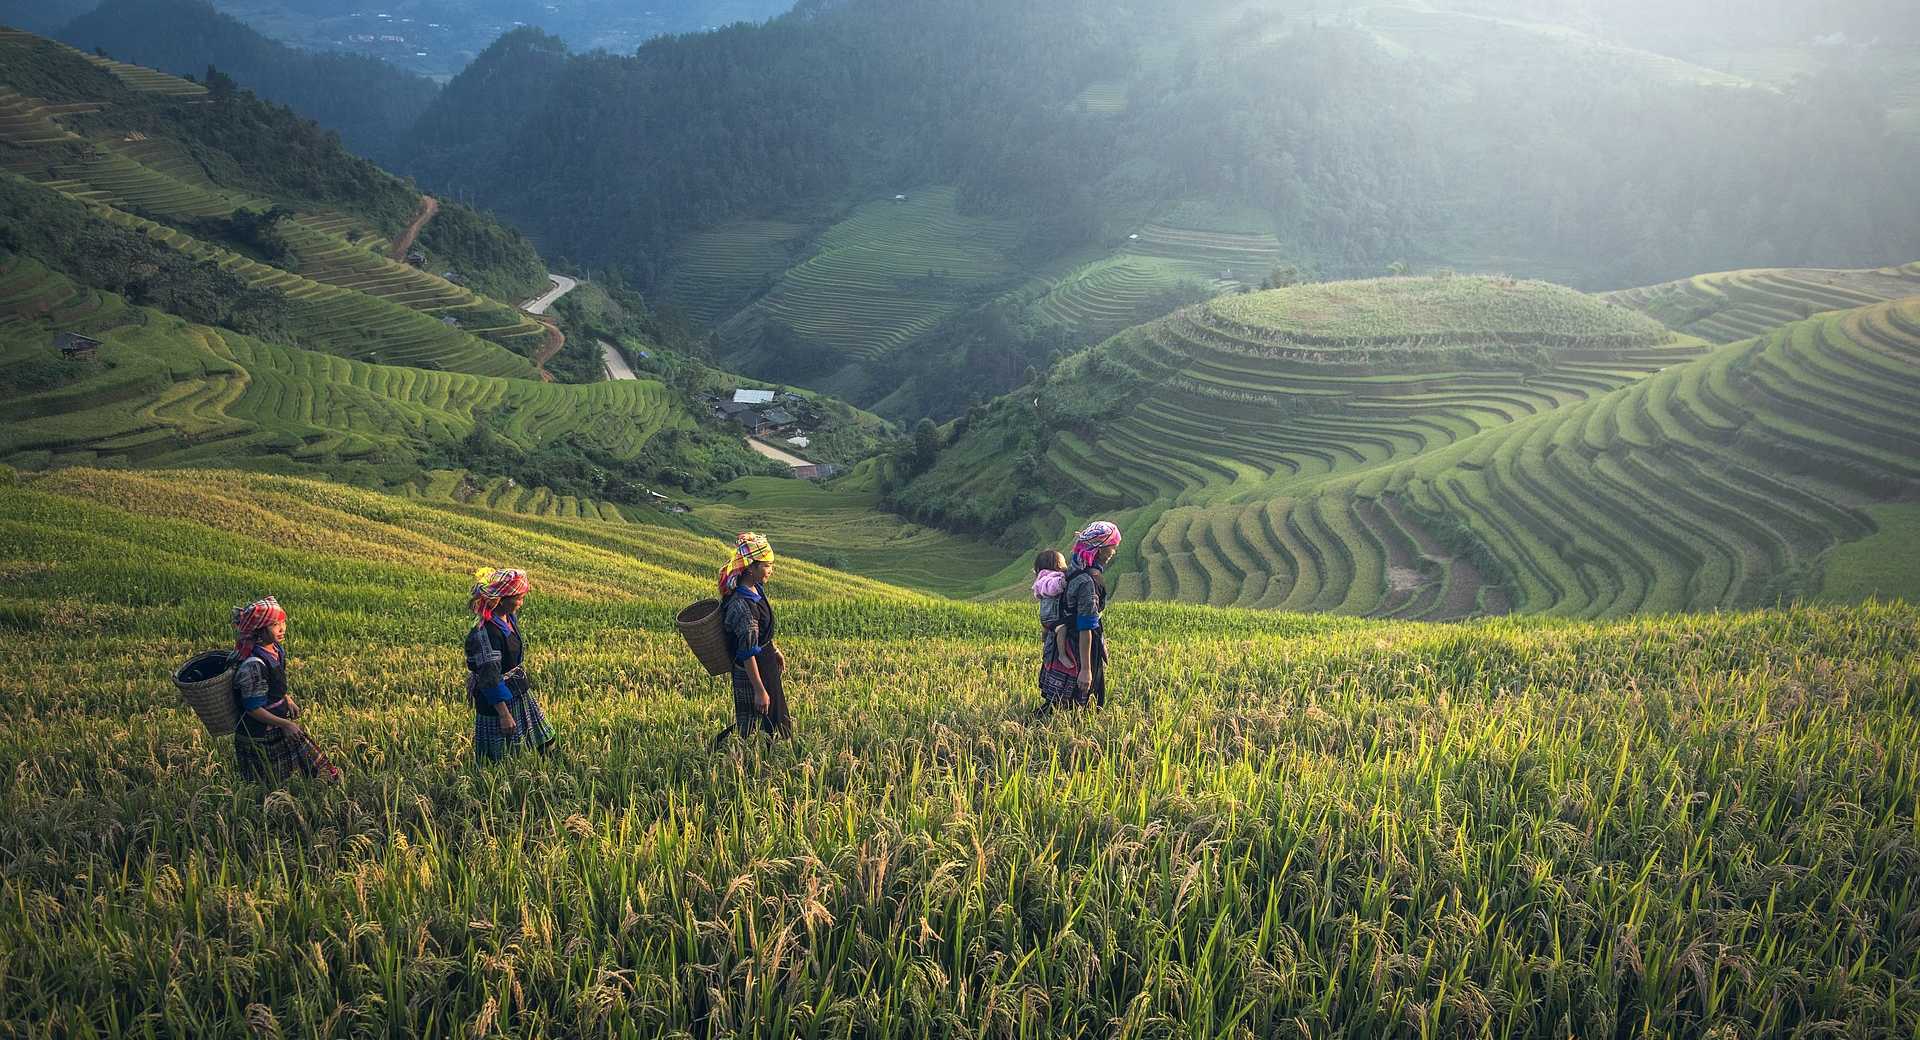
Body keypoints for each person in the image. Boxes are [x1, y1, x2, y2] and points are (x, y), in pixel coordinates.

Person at [229, 596, 342, 785]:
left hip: (277, 722)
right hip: (259, 733)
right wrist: (285, 724)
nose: (282, 628)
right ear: (259, 630)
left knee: (313, 768)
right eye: (275, 625)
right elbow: (252, 708)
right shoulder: (253, 665)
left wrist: (286, 699)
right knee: (269, 782)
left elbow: (274, 684)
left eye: (283, 622)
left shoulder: (276, 649)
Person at [466, 567, 556, 761]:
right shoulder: (485, 633)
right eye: (519, 598)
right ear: (500, 600)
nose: (521, 603)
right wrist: (504, 714)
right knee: (497, 757)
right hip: (496, 700)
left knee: (546, 741)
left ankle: (547, 774)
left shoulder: (508, 618)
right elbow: (490, 677)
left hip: (518, 690)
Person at [711, 532, 790, 749]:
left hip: (765, 662)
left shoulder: (756, 590)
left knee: (774, 717)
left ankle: (770, 755)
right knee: (751, 722)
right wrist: (759, 689)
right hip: (752, 671)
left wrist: (773, 650)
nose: (771, 570)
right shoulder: (742, 606)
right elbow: (747, 652)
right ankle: (720, 750)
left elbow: (761, 632)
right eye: (767, 565)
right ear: (751, 567)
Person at [1042, 521, 1122, 710]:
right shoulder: (1089, 581)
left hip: (1068, 640)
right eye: (1112, 547)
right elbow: (1086, 625)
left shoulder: (1075, 570)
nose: (1114, 552)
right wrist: (1086, 670)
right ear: (1100, 550)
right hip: (1080, 646)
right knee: (1082, 705)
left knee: (1061, 704)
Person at [1033, 549, 1079, 712]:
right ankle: (1062, 654)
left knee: (1049, 636)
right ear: (1056, 565)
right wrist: (1063, 580)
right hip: (1053, 618)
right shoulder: (1050, 578)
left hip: (1046, 619)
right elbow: (1053, 588)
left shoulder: (1042, 576)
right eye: (1063, 563)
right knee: (1062, 629)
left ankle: (1046, 638)